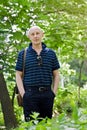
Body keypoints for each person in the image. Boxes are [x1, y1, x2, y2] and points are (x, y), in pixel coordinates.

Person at [15, 25, 60, 121]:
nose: (35, 36)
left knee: (46, 125)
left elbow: (56, 74)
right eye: (32, 34)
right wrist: (23, 94)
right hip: (30, 94)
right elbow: (18, 75)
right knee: (31, 125)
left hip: (47, 94)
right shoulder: (23, 54)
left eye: (37, 33)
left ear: (42, 35)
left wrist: (53, 93)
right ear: (29, 37)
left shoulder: (51, 53)